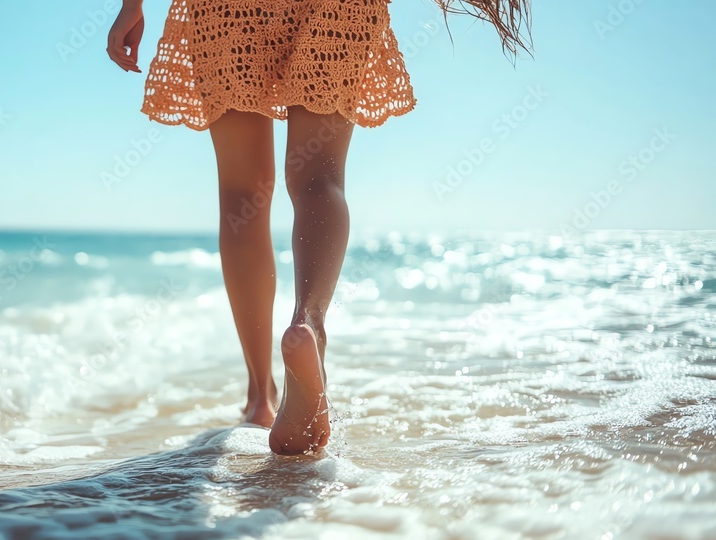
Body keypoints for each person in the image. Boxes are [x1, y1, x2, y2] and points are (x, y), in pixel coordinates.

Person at [106, 0, 531, 455]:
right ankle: (308, 324)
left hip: (226, 10)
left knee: (242, 196)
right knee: (318, 178)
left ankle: (259, 398)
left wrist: (132, 5)